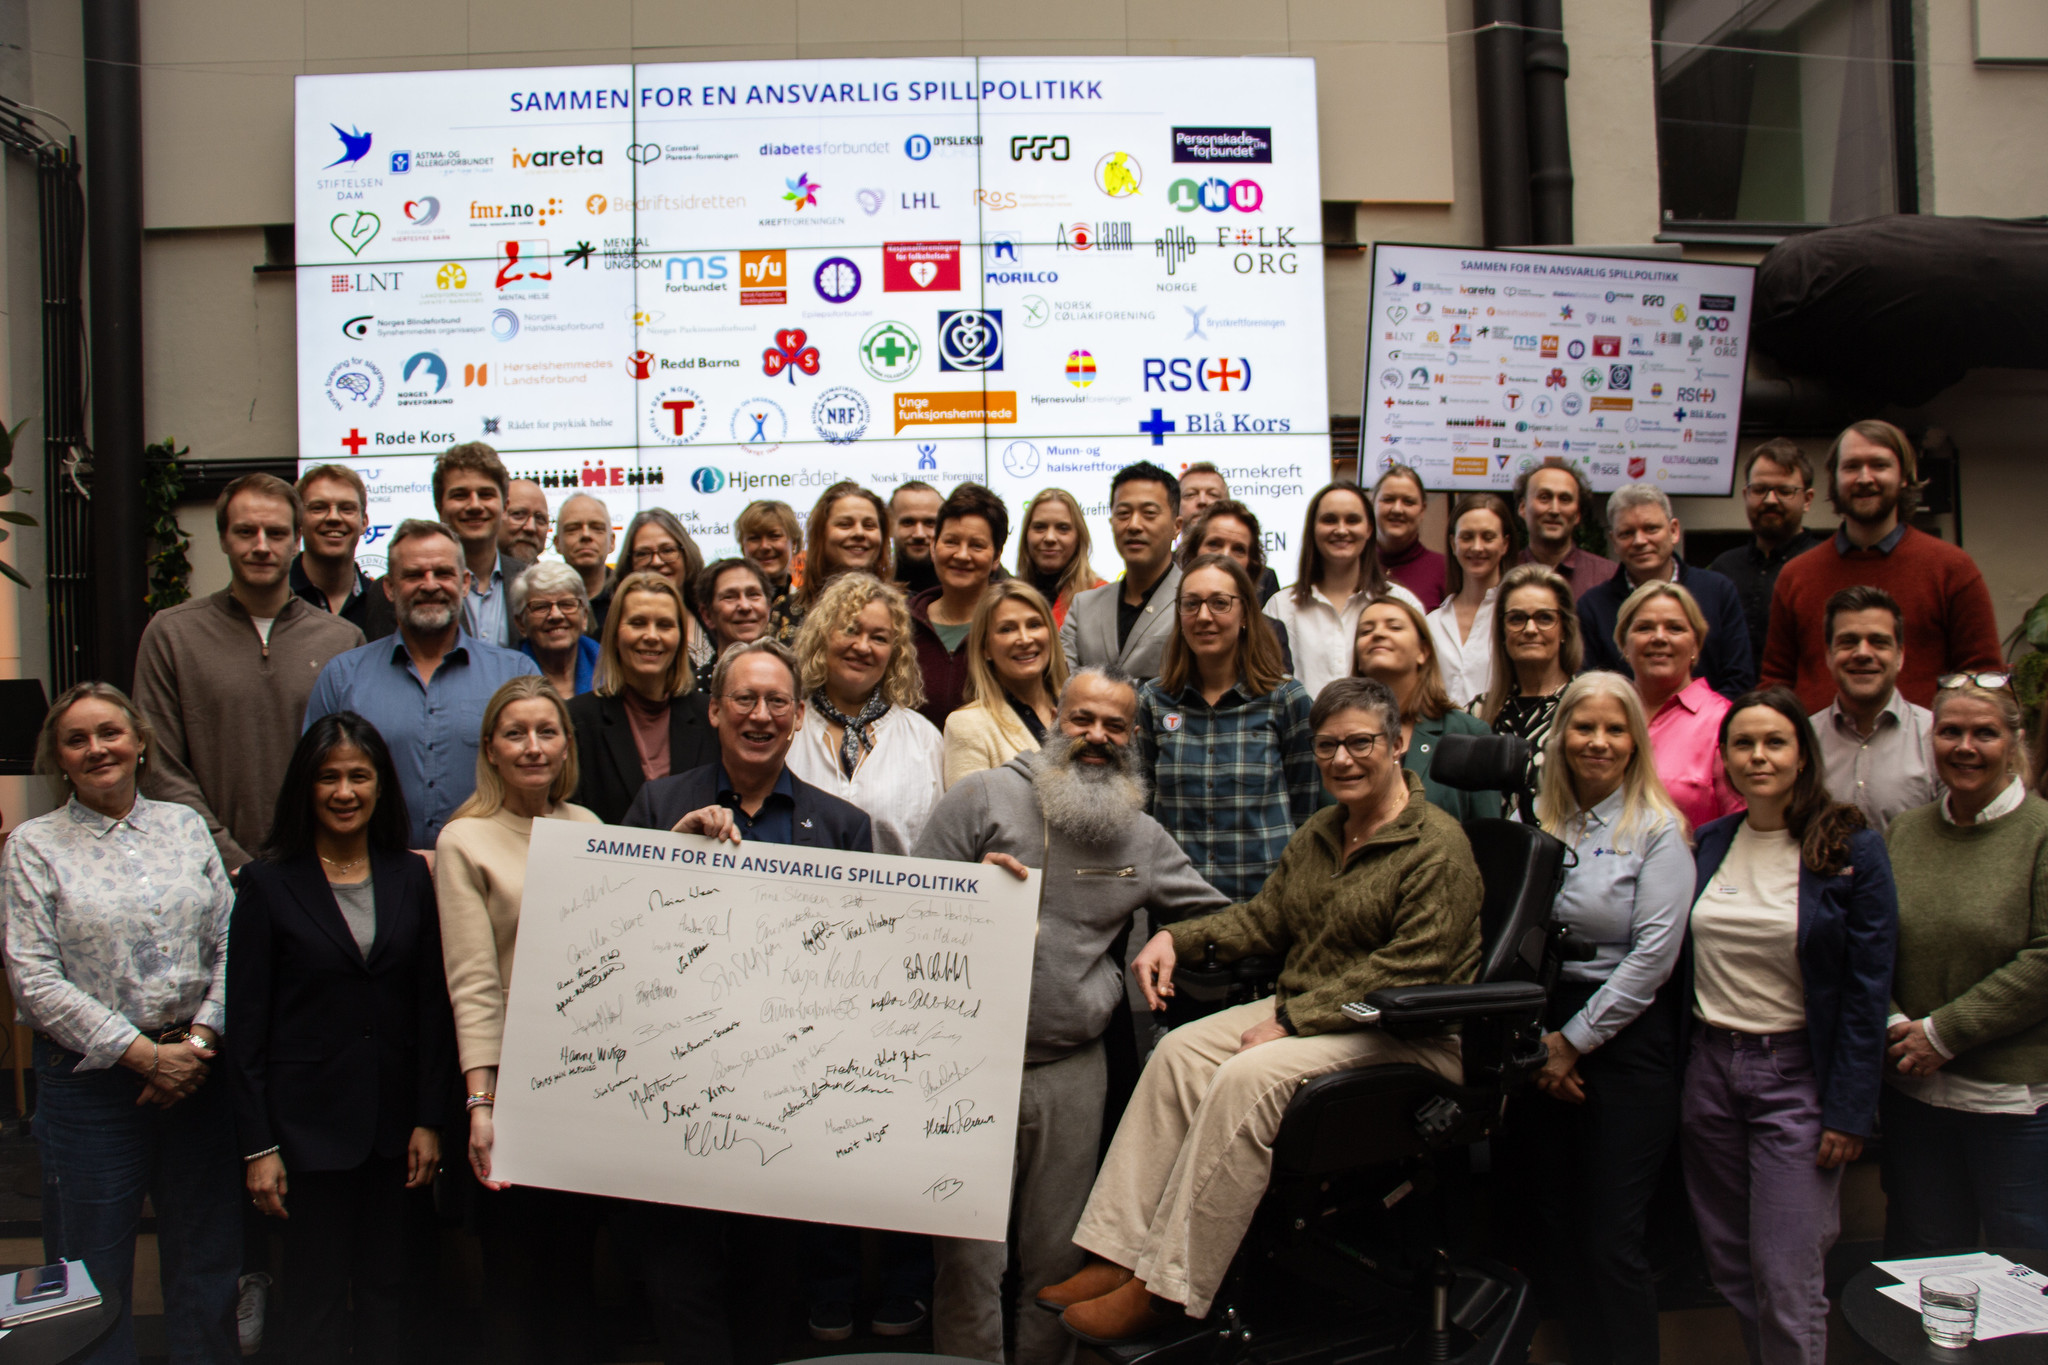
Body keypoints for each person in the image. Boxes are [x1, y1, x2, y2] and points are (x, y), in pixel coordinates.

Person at [1042, 676, 1483, 1342]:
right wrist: (1173, 937)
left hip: (1406, 1033)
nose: (1341, 759)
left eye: (1360, 742)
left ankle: (1167, 1287)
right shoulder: (1322, 831)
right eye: (1327, 745)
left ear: (1399, 742)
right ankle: (1116, 1251)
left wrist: (1294, 1019)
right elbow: (1265, 918)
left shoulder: (1438, 848)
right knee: (1179, 1051)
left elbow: (1407, 972)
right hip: (1318, 1012)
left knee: (1248, 1074)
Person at [917, 667, 1231, 1365]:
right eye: (1083, 718)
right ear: (1055, 720)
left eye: (1115, 725)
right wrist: (967, 893)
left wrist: (1170, 934)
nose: (1097, 736)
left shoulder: (1142, 837)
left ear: (1133, 736)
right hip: (963, 1069)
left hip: (1073, 1072)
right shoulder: (981, 797)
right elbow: (908, 912)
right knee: (968, 1264)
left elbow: (1226, 921)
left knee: (1058, 1265)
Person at [615, 639, 874, 1364]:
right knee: (678, 1278)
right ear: (715, 709)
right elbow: (619, 937)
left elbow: (865, 964)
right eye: (745, 699)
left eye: (777, 702)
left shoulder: (843, 825)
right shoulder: (661, 803)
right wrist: (671, 853)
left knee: (769, 1281)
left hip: (785, 1101)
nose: (760, 714)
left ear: (796, 718)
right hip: (678, 1094)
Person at [1, 683, 238, 1364]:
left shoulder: (184, 824)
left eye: (110, 732)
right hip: (89, 1083)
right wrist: (140, 1053)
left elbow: (231, 939)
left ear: (139, 744)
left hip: (197, 1070)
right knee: (86, 1274)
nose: (96, 747)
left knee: (206, 1259)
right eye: (77, 739)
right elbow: (33, 977)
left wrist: (198, 1040)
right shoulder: (34, 846)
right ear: (59, 758)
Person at [226, 714, 456, 1365]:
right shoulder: (268, 884)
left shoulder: (410, 875)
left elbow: (430, 1008)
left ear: (381, 785)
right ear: (306, 785)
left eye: (360, 775)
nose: (345, 790)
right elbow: (245, 1027)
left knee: (394, 1295)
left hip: (395, 1136)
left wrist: (428, 1119)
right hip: (305, 1136)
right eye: (329, 776)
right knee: (315, 1301)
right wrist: (258, 1145)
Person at [1681, 687, 1895, 1365]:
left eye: (1775, 741)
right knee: (1733, 1269)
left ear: (1802, 754)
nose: (1758, 755)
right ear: (1725, 758)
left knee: (1786, 1275)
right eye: (1743, 743)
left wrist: (1850, 1109)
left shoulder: (1850, 846)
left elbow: (1868, 987)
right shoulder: (1712, 841)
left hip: (1799, 1077)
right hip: (1711, 1073)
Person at [1503, 673, 1691, 1365]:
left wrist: (1573, 1044)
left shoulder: (1658, 830)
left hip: (1626, 1038)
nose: (1599, 742)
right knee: (1554, 1225)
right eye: (1585, 727)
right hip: (1541, 1031)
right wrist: (1544, 1046)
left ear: (1635, 741)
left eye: (1615, 729)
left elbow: (1653, 958)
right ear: (1560, 737)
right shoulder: (1537, 822)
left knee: (1612, 1238)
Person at [436, 677, 603, 1365]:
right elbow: (472, 983)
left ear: (566, 744)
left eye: (547, 731)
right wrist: (482, 1101)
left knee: (577, 1271)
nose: (533, 747)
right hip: (510, 1091)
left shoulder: (588, 826)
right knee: (512, 1275)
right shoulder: (464, 839)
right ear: (491, 750)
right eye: (516, 733)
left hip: (586, 1089)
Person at [1880, 676, 2048, 1254]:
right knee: (1926, 1271)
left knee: (2024, 1274)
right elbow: (1872, 946)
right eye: (1950, 731)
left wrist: (1943, 1033)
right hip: (1915, 1100)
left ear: (2014, 741)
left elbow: (2046, 957)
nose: (1965, 747)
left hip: (2011, 1106)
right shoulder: (1905, 832)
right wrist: (1895, 1023)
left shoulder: (2042, 832)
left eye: (1985, 733)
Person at [134, 472, 364, 873]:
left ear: (297, 541)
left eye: (276, 534)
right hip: (207, 873)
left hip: (320, 874)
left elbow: (356, 767)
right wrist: (233, 862)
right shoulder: (172, 635)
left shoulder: (342, 642)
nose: (261, 546)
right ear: (223, 538)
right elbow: (160, 768)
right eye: (245, 532)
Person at [306, 520, 541, 851]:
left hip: (489, 877)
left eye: (443, 573)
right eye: (414, 575)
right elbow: (314, 785)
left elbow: (543, 783)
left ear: (464, 583)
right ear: (388, 588)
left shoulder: (515, 674)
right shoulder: (343, 677)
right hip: (375, 879)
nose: (429, 585)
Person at [1762, 420, 2003, 711]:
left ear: (1904, 477)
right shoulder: (1796, 575)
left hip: (1921, 752)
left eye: (1879, 465)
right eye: (1851, 467)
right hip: (1818, 752)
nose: (1864, 478)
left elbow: (1981, 677)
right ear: (1835, 479)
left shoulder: (1952, 569)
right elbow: (1776, 682)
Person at [1137, 554, 1318, 902]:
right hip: (1178, 907)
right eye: (1191, 604)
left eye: (1220, 603)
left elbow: (1306, 815)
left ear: (1247, 614)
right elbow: (1144, 809)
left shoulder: (1286, 699)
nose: (1204, 616)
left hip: (1264, 910)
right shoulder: (1153, 701)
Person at [785, 572, 944, 856]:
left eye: (879, 638)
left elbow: (938, 850)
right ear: (823, 636)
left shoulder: (924, 739)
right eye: (850, 630)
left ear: (894, 652)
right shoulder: (786, 727)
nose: (862, 646)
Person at [564, 572, 716, 826]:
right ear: (614, 634)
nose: (652, 636)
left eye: (665, 625)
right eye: (637, 623)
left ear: (680, 638)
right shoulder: (576, 720)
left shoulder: (710, 718)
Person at [1577, 483, 1754, 699]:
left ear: (1673, 531)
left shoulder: (1718, 591)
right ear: (1614, 541)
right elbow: (1588, 688)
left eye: (1651, 529)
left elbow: (1739, 680)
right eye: (1627, 533)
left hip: (1709, 728)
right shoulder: (1593, 606)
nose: (1640, 541)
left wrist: (1699, 723)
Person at [1264, 480, 1424, 701]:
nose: (1341, 530)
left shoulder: (1401, 602)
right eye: (1329, 520)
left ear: (1369, 529)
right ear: (1313, 529)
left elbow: (1423, 679)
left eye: (1352, 520)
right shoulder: (1280, 606)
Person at [1352, 595, 1501, 821]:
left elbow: (1488, 833)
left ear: (1423, 651)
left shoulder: (1469, 735)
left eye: (1394, 627)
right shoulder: (1336, 737)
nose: (1378, 634)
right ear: (1358, 660)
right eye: (1365, 631)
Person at [363, 444, 526, 648]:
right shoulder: (395, 590)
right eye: (460, 495)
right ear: (439, 506)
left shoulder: (529, 579)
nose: (475, 505)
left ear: (505, 506)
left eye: (486, 494)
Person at [1810, 586, 1938, 834]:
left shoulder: (1935, 737)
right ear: (1828, 655)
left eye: (1878, 642)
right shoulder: (1803, 740)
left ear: (1900, 655)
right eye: (1848, 642)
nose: (1863, 653)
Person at [1617, 580, 1742, 832]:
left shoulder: (1723, 721)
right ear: (1624, 645)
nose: (1659, 638)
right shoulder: (1605, 713)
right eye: (1644, 628)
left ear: (1696, 645)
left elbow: (1741, 825)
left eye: (1674, 628)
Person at [1708, 440, 1827, 670]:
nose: (1770, 500)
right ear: (1746, 494)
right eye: (1760, 489)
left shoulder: (1826, 565)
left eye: (1784, 491)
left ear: (1808, 500)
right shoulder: (1723, 568)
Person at [1062, 463, 1184, 681]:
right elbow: (1063, 685)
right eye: (1123, 514)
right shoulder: (1084, 606)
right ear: (1111, 522)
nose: (1134, 525)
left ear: (1177, 526)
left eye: (1149, 513)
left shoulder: (1194, 601)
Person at [1474, 564, 1582, 810]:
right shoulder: (1477, 714)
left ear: (1564, 628)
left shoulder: (1586, 708)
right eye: (1517, 618)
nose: (1530, 630)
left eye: (1545, 618)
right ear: (1502, 630)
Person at [942, 580, 1068, 788]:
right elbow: (970, 816)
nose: (1025, 639)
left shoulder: (1079, 712)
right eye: (1007, 629)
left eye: (1034, 625)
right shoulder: (967, 726)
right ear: (985, 648)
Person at [909, 483, 1008, 727]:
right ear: (934, 546)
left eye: (976, 545)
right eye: (951, 541)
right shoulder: (901, 625)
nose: (962, 555)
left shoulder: (1015, 628)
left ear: (996, 556)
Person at [1427, 492, 1515, 708]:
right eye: (1467, 537)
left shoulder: (1516, 618)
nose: (1477, 547)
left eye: (1488, 537)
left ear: (1505, 544)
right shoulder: (1433, 623)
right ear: (1453, 543)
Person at [613, 508, 712, 677]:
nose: (657, 562)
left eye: (667, 550)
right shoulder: (614, 626)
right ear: (630, 563)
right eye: (643, 553)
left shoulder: (710, 615)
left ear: (685, 553)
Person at [1514, 457, 1619, 593]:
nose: (1554, 510)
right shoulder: (1502, 572)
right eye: (1544, 497)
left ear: (1577, 514)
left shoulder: (1608, 576)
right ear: (1522, 507)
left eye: (1565, 499)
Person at [291, 464, 376, 631]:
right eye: (319, 508)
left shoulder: (382, 602)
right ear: (299, 520)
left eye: (346, 509)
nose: (333, 517)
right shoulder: (277, 596)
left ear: (364, 523)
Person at [1179, 466, 1279, 602]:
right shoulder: (1164, 571)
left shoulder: (1265, 578)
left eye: (1213, 494)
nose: (1202, 501)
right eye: (1190, 494)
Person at [798, 481, 891, 616]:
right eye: (845, 525)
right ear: (821, 534)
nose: (859, 533)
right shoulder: (787, 610)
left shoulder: (908, 607)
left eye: (869, 525)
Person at [1017, 488, 1105, 629]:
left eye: (1063, 528)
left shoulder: (1100, 597)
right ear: (1026, 535)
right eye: (1040, 527)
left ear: (1079, 537)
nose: (1050, 537)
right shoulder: (1009, 596)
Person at [512, 561, 598, 698]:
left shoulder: (612, 669)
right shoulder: (503, 673)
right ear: (520, 623)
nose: (556, 615)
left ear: (585, 617)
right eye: (540, 607)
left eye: (567, 604)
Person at [1373, 464, 1446, 609]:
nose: (1397, 509)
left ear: (1422, 510)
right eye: (1388, 499)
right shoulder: (1353, 566)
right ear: (1372, 504)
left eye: (1408, 502)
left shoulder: (1445, 570)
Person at [695, 557, 774, 689]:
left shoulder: (794, 680)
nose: (745, 606)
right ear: (707, 614)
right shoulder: (693, 692)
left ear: (768, 607)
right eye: (729, 597)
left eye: (753, 594)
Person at [736, 498, 803, 641]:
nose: (765, 546)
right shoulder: (729, 606)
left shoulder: (811, 603)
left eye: (774, 536)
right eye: (754, 538)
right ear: (743, 547)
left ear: (794, 544)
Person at [551, 493, 614, 634]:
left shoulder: (630, 595)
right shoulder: (543, 600)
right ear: (557, 543)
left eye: (597, 528)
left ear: (612, 542)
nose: (586, 535)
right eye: (573, 529)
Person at [889, 479, 943, 596]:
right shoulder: (877, 588)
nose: (919, 534)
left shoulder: (962, 588)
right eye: (908, 522)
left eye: (930, 523)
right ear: (889, 525)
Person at [499, 478, 550, 566]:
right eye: (518, 514)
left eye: (540, 519)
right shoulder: (470, 576)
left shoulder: (555, 579)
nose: (531, 528)